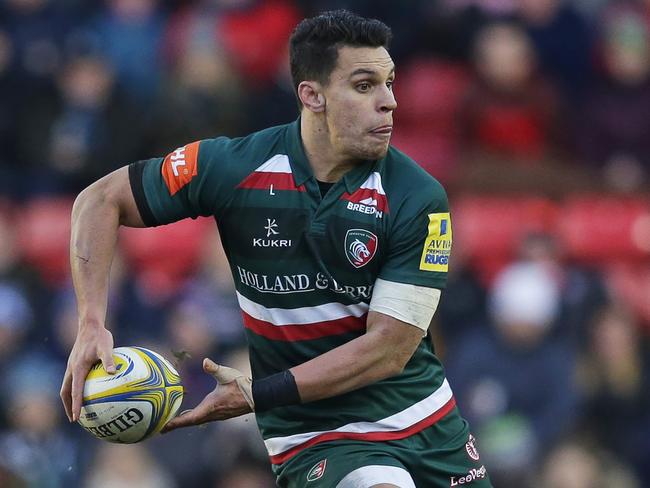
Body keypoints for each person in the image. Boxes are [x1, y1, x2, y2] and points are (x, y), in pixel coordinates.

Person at [60, 10, 491, 488]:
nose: (389, 102)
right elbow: (100, 200)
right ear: (312, 95)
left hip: (427, 420)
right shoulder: (233, 166)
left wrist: (255, 393)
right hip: (314, 431)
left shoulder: (418, 196)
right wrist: (91, 323)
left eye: (390, 83)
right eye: (366, 86)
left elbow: (387, 351)